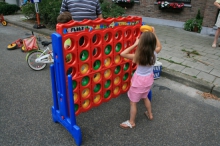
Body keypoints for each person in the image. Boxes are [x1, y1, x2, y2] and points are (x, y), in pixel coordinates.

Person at [119, 27, 162, 129]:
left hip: (138, 82)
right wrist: (154, 33)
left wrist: (135, 44)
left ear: (141, 43)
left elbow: (122, 54)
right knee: (145, 97)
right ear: (153, 43)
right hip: (148, 80)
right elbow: (160, 46)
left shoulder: (137, 56)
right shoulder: (155, 53)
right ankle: (150, 114)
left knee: (133, 103)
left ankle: (132, 122)